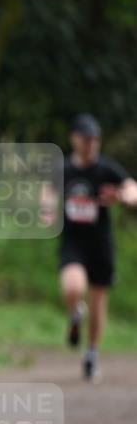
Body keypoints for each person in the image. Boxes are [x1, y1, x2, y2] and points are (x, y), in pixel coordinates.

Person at [59, 114, 137, 380]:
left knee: (98, 299)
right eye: (86, 140)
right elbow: (47, 193)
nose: (92, 145)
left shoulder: (106, 169)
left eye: (95, 140)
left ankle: (91, 352)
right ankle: (75, 313)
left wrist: (125, 196)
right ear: (75, 140)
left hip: (100, 243)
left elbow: (130, 187)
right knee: (73, 288)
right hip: (73, 241)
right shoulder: (64, 170)